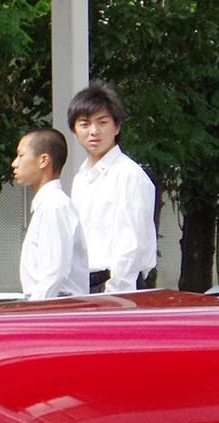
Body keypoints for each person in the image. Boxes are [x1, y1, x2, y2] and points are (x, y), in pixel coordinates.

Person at [67, 82, 157, 293]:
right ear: (74, 131)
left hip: (117, 286)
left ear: (117, 127)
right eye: (84, 124)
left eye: (102, 122)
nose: (94, 131)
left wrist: (115, 296)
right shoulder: (81, 178)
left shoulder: (128, 175)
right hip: (85, 285)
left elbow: (130, 245)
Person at [11, 128, 89, 301]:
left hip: (56, 305)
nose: (15, 163)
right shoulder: (48, 205)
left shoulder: (54, 206)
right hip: (50, 303)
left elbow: (54, 271)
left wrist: (34, 311)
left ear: (43, 160)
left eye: (21, 155)